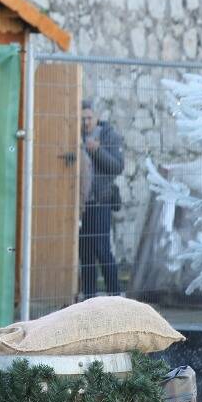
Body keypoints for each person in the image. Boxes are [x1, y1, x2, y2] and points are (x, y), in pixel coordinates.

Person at [77, 100, 126, 298]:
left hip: (100, 202)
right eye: (82, 119)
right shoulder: (74, 136)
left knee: (102, 250)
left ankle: (115, 295)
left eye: (89, 118)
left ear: (96, 117)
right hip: (81, 205)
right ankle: (89, 299)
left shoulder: (109, 136)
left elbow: (117, 167)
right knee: (85, 254)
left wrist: (97, 151)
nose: (86, 122)